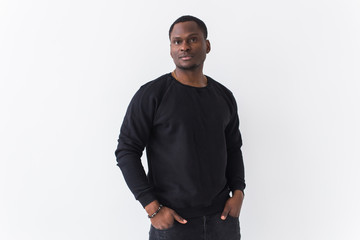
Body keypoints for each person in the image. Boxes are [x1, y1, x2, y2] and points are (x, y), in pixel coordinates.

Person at [115, 15, 246, 240]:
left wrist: (239, 192)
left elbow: (233, 148)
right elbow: (127, 151)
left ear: (207, 45)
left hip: (222, 221)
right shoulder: (152, 95)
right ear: (171, 49)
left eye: (192, 39)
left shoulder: (223, 96)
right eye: (177, 41)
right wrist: (152, 208)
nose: (184, 46)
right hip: (173, 222)